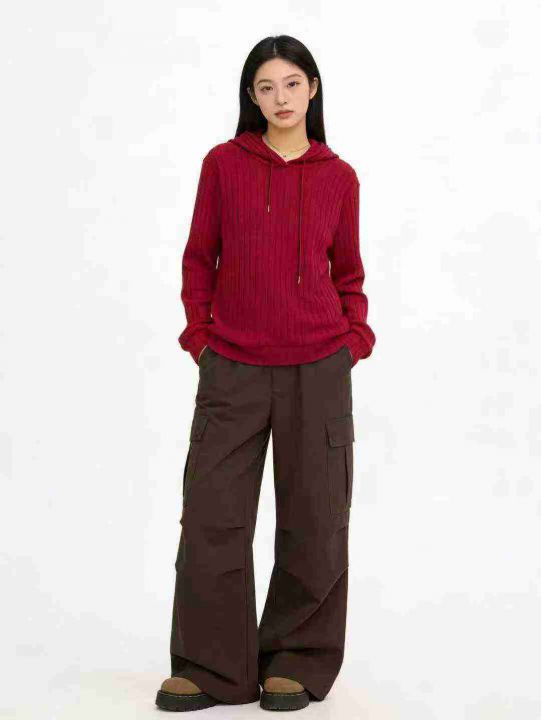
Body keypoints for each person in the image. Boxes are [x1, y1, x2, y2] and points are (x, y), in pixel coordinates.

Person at [155, 34, 376, 713]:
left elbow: (348, 272)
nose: (280, 98)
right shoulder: (224, 165)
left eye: (291, 83)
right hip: (232, 367)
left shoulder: (339, 176)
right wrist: (201, 337)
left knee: (315, 518)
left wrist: (353, 339)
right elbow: (200, 257)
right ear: (250, 97)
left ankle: (296, 660)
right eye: (265, 87)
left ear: (313, 88)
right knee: (212, 517)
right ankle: (212, 668)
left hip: (318, 367)